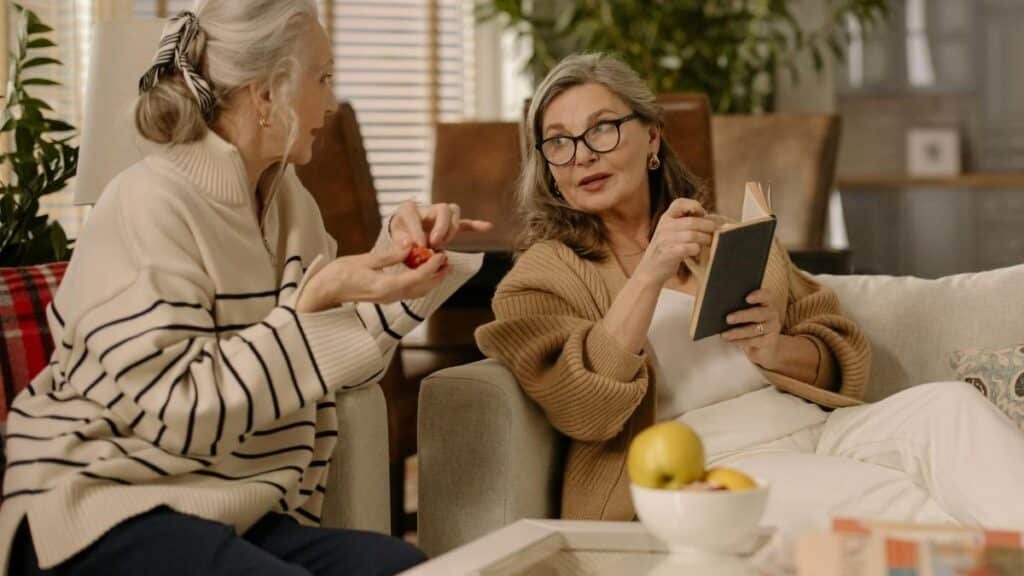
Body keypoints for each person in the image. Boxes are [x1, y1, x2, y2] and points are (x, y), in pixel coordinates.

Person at [0, 2, 490, 574]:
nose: (331, 102)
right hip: (104, 501)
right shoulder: (146, 202)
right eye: (323, 77)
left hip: (232, 507)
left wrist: (412, 265)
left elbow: (340, 359)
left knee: (400, 566)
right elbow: (176, 413)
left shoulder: (292, 206)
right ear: (266, 95)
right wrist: (310, 304)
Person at [475, 53, 1024, 533]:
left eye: (602, 129)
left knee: (949, 407)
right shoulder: (541, 277)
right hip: (708, 460)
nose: (583, 155)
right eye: (559, 143)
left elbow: (838, 348)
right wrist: (649, 272)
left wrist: (774, 347)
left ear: (651, 140)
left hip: (819, 426)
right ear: (549, 169)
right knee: (898, 505)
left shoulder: (725, 239)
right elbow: (580, 407)